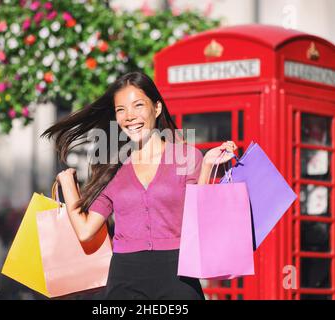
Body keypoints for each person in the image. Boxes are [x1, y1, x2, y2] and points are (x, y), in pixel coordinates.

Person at [42, 71, 237, 300]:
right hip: (124, 279)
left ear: (156, 108)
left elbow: (199, 221)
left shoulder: (186, 157)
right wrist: (68, 184)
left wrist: (207, 167)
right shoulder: (112, 167)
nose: (129, 116)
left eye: (138, 106)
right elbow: (85, 231)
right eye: (121, 110)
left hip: (177, 276)